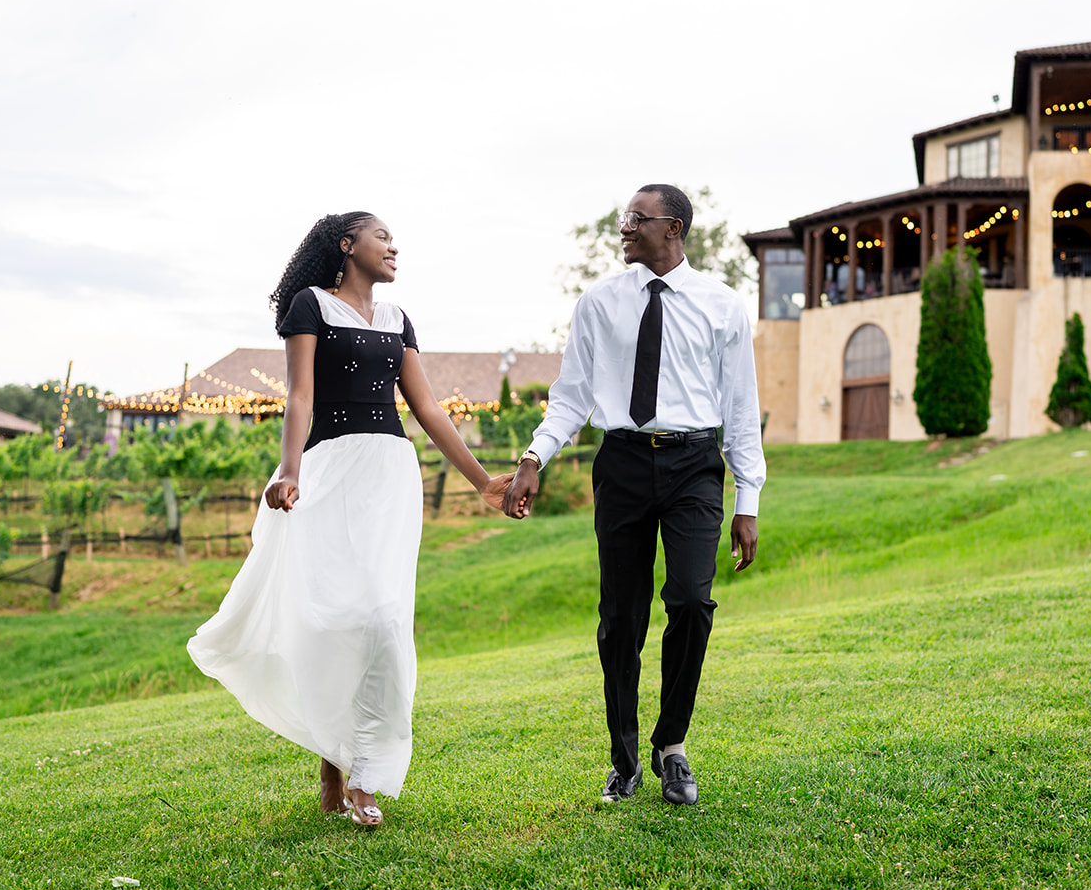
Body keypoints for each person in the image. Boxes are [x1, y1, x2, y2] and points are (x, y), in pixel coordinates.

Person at [188, 211, 512, 827]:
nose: (394, 246)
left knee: (385, 618)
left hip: (390, 475)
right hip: (328, 473)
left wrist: (481, 480)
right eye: (382, 236)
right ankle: (332, 763)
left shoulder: (398, 319)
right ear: (348, 245)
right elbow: (300, 396)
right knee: (338, 618)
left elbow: (427, 407)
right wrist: (289, 471)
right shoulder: (311, 306)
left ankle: (365, 776)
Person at [502, 184, 764, 807]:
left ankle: (671, 746)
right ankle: (624, 759)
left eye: (635, 220)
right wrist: (536, 455)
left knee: (692, 603)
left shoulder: (723, 306)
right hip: (619, 463)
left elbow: (740, 408)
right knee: (620, 620)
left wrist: (747, 499)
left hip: (695, 465)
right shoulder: (599, 303)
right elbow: (571, 395)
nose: (622, 228)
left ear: (672, 228)